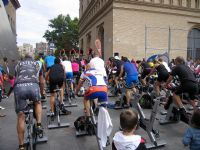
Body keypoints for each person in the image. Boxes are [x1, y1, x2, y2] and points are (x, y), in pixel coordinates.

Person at [14, 54, 43, 150]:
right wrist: (41, 93)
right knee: (38, 102)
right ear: (32, 58)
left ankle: (21, 146)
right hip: (33, 85)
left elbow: (16, 78)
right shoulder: (37, 64)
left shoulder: (18, 65)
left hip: (19, 87)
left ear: (24, 58)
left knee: (21, 116)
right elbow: (41, 81)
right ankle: (38, 124)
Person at [165, 56, 198, 123]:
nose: (174, 62)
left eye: (175, 61)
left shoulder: (177, 67)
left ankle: (182, 109)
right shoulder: (187, 67)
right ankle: (196, 114)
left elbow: (170, 78)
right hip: (195, 84)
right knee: (192, 100)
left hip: (187, 83)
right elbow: (191, 75)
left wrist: (166, 84)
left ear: (177, 61)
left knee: (175, 94)